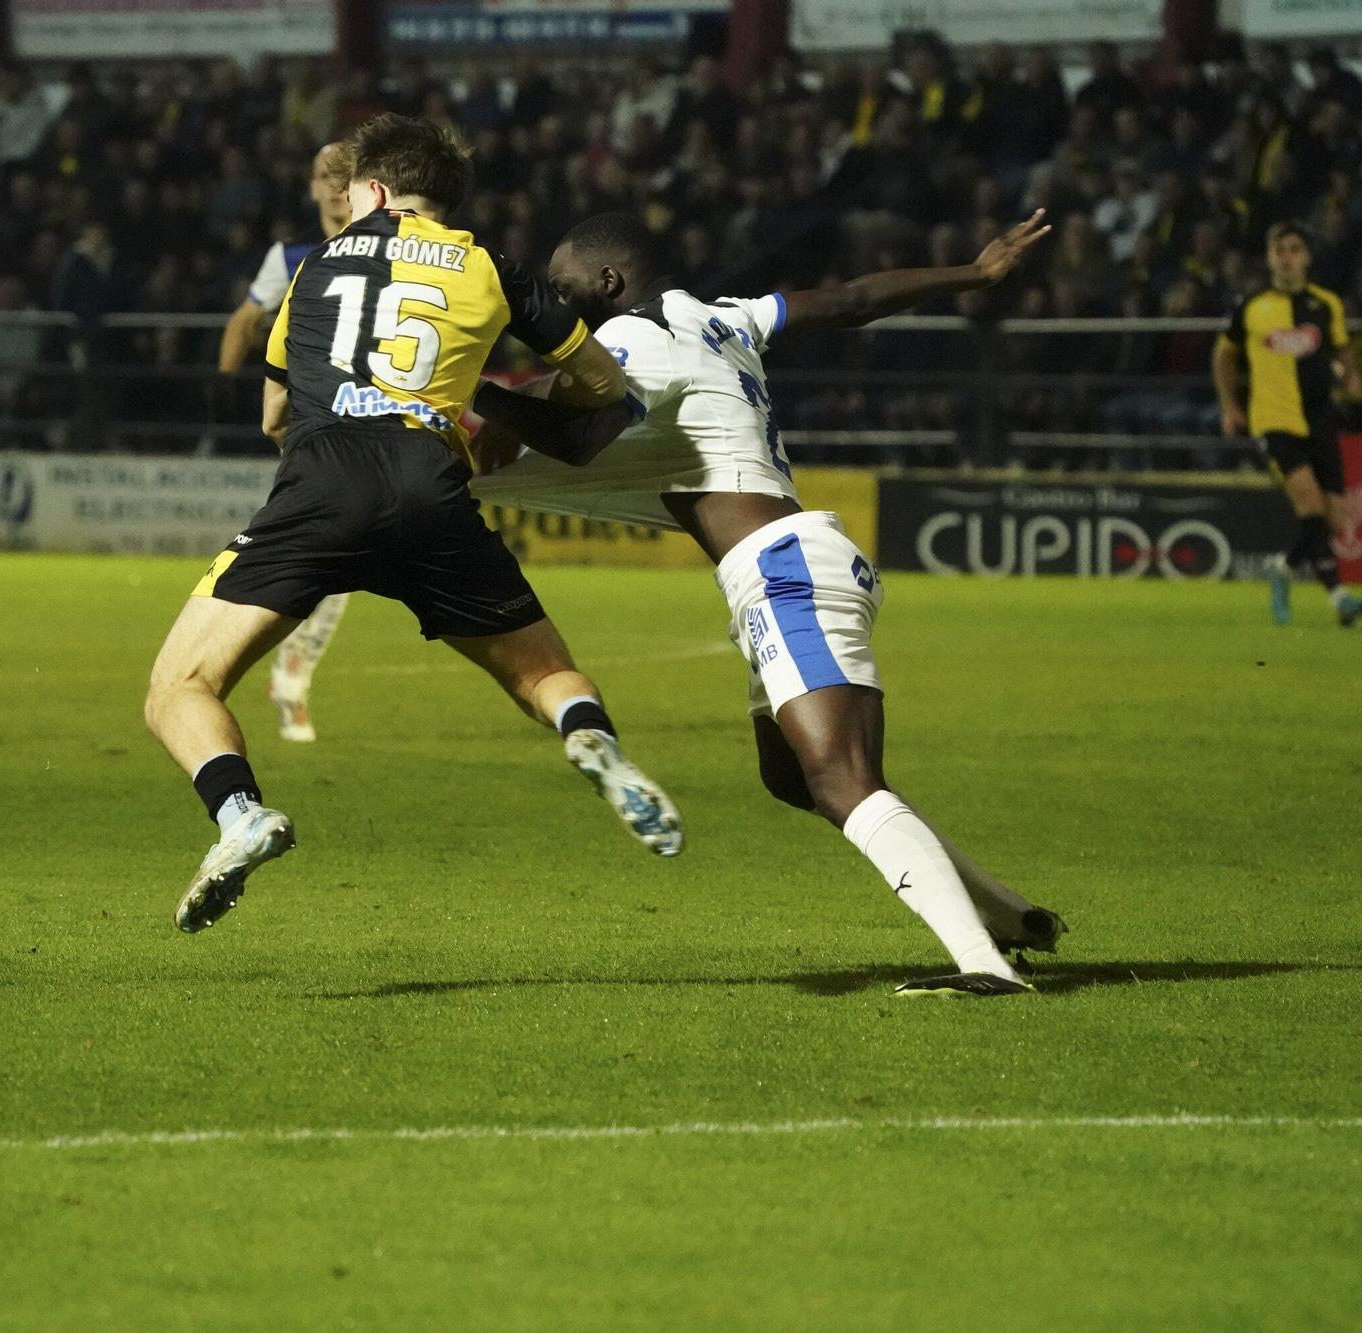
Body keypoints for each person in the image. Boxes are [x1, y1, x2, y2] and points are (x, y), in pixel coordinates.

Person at [474, 210, 1066, 997]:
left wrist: (476, 392)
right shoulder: (726, 317)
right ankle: (1007, 915)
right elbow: (851, 298)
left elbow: (579, 436)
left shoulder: (633, 342)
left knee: (842, 779)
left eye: (561, 286)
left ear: (608, 283)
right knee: (796, 777)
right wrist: (974, 272)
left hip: (783, 570)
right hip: (791, 564)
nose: (551, 302)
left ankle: (984, 967)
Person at [144, 114, 680, 935]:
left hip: (322, 486)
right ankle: (592, 739)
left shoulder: (316, 263)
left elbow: (273, 414)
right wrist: (510, 410)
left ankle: (241, 815)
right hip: (431, 483)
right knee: (541, 675)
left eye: (354, 193)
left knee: (179, 685)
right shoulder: (494, 266)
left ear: (380, 191)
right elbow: (601, 381)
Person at [218, 142, 355, 742]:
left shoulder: (392, 250)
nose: (332, 186)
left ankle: (271, 675)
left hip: (362, 422)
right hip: (310, 424)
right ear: (309, 187)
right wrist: (224, 395)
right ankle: (274, 678)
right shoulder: (294, 255)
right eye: (323, 175)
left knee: (334, 562)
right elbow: (244, 320)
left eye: (344, 176)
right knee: (328, 557)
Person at [1212, 222, 1362, 627]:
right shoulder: (1253, 306)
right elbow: (1224, 355)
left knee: (1330, 518)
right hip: (1273, 420)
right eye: (1280, 250)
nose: (1287, 257)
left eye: (1295, 249)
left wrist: (1350, 378)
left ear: (1307, 257)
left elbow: (1343, 349)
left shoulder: (1326, 304)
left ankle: (1281, 567)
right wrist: (1230, 406)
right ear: (1270, 257)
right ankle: (1339, 597)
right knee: (1310, 505)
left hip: (1320, 421)